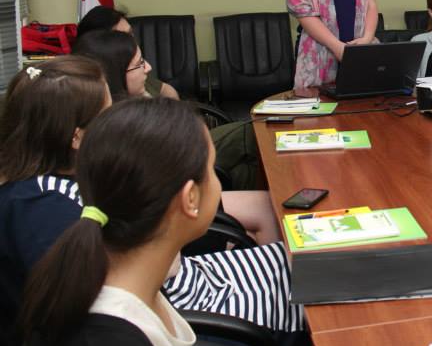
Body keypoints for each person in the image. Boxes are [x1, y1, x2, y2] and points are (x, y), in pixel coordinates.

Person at [0, 59, 302, 346]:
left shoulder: (80, 178)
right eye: (107, 113)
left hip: (177, 292)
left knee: (307, 264)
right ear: (77, 137)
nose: (117, 120)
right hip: (191, 308)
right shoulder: (39, 210)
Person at [18, 97, 218, 346]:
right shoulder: (110, 343)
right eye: (212, 169)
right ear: (190, 198)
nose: (216, 182)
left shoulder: (122, 281)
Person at [72, 30, 281, 244]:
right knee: (266, 207)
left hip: (168, 209)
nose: (148, 68)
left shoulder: (119, 117)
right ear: (116, 73)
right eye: (140, 63)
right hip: (166, 217)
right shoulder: (128, 129)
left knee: (254, 186)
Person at [76, 5, 179, 99]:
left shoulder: (135, 72)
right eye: (123, 37)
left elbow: (166, 89)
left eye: (131, 33)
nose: (132, 41)